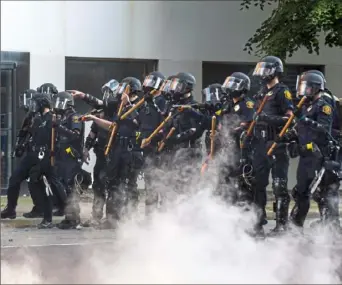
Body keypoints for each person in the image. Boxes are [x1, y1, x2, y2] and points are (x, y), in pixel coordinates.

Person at [83, 77, 143, 229]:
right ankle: (110, 218)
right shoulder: (116, 107)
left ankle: (129, 217)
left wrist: (128, 103)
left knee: (129, 186)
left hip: (130, 152)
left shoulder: (139, 106)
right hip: (113, 151)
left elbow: (137, 124)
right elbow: (100, 126)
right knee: (111, 184)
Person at [284, 72, 334, 231]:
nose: (304, 91)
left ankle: (329, 229)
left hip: (318, 155)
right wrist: (290, 136)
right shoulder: (305, 106)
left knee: (321, 193)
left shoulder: (324, 105)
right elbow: (301, 128)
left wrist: (303, 119)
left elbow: (323, 130)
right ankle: (296, 226)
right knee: (301, 192)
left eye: (308, 87)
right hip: (305, 155)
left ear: (316, 88)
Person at [251, 55, 294, 236]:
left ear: (275, 71)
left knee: (279, 186)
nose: (263, 74)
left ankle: (282, 226)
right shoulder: (261, 92)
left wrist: (266, 118)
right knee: (257, 183)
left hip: (276, 143)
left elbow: (290, 118)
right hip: (260, 144)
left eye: (266, 69)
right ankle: (258, 222)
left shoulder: (282, 92)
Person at [221, 73, 256, 206]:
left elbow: (247, 124)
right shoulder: (228, 104)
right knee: (226, 180)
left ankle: (246, 216)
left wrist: (231, 130)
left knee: (242, 183)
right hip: (228, 148)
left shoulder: (247, 104)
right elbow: (220, 121)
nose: (230, 88)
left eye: (233, 85)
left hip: (242, 148)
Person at [52, 91, 85, 229]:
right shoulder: (63, 117)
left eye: (60, 102)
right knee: (63, 186)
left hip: (71, 156)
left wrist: (58, 127)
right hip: (62, 156)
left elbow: (75, 135)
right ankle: (68, 216)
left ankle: (74, 218)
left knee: (71, 187)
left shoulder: (75, 117)